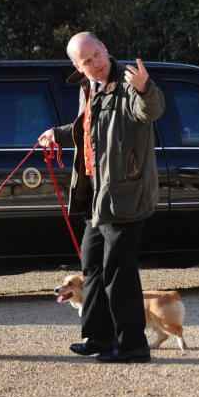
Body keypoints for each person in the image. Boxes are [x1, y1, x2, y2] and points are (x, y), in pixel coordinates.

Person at [38, 31, 165, 363]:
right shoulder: (87, 87)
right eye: (85, 61)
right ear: (76, 65)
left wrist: (145, 88)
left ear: (105, 49)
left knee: (117, 270)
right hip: (95, 193)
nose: (94, 64)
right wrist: (58, 134)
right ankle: (98, 337)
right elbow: (90, 127)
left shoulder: (127, 85)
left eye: (96, 55)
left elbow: (150, 110)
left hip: (125, 195)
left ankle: (133, 346)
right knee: (91, 265)